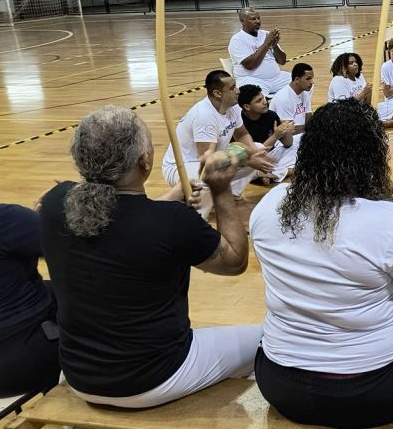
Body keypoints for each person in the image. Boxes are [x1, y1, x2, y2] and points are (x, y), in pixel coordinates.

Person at [250, 99, 393, 428]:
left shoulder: (269, 205)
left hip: (278, 381)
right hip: (365, 388)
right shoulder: (386, 221)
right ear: (372, 156)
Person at [39, 106, 262, 408]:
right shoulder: (170, 222)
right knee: (268, 340)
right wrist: (221, 189)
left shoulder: (55, 203)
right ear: (144, 161)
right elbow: (234, 261)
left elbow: (119, 218)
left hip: (79, 375)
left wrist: (173, 196)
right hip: (154, 377)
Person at [0, 136, 60, 398]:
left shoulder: (4, 223)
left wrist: (28, 222)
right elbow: (72, 249)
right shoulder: (2, 220)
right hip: (16, 366)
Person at [162, 70, 274, 217]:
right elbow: (208, 159)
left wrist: (255, 154)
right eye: (232, 88)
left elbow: (242, 134)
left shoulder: (233, 106)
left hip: (211, 159)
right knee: (212, 173)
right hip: (181, 166)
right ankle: (198, 217)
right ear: (217, 94)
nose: (237, 90)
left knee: (257, 148)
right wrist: (248, 160)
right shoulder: (204, 116)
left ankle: (228, 193)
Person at [240, 85, 298, 184]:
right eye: (259, 101)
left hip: (270, 155)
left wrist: (287, 132)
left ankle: (268, 174)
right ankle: (286, 171)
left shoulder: (270, 115)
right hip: (251, 160)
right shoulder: (240, 123)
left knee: (295, 148)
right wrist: (275, 136)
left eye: (264, 98)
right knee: (246, 167)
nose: (265, 102)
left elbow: (288, 144)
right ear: (247, 106)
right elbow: (253, 154)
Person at [228, 7, 289, 95]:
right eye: (253, 19)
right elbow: (250, 65)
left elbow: (282, 61)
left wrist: (275, 45)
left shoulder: (266, 34)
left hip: (276, 78)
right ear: (242, 21)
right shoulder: (237, 39)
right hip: (252, 79)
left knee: (301, 83)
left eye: (258, 18)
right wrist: (266, 44)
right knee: (256, 95)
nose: (257, 21)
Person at [328, 52, 393, 128]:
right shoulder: (338, 80)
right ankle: (380, 124)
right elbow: (344, 106)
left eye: (356, 62)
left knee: (389, 107)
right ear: (344, 67)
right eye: (351, 63)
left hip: (357, 109)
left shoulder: (360, 76)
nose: (355, 64)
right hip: (341, 114)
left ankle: (375, 122)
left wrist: (371, 90)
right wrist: (364, 92)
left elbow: (367, 102)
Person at [269, 62, 314, 135]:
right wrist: (309, 127)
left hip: (300, 133)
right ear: (297, 79)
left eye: (312, 78)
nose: (312, 82)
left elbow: (308, 116)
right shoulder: (284, 98)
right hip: (285, 138)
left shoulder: (305, 93)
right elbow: (287, 131)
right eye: (308, 79)